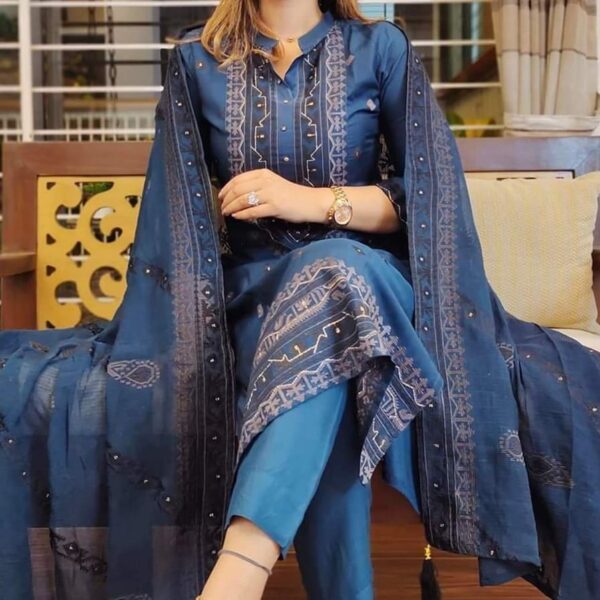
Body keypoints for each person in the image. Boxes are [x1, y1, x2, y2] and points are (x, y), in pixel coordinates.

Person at [1, 2, 600, 600]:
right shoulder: (198, 61)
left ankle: (238, 575)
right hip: (257, 304)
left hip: (374, 286)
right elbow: (174, 219)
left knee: (333, 272)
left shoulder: (380, 49)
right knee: (328, 357)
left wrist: (312, 202)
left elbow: (430, 196)